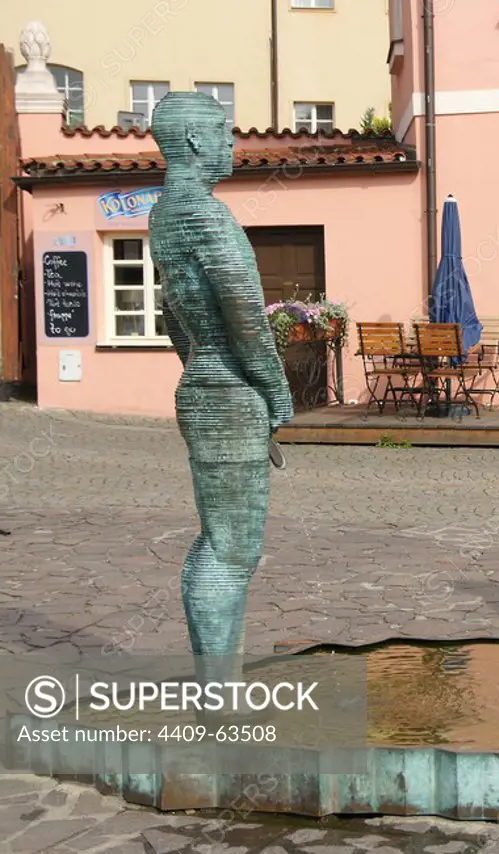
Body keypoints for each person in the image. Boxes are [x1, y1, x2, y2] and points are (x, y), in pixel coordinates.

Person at [149, 92, 293, 718]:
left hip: (203, 382)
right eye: (222, 133)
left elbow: (171, 316)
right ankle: (218, 693)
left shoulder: (162, 215)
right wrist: (277, 395)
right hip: (231, 388)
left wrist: (196, 369)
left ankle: (220, 679)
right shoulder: (207, 217)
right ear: (191, 143)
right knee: (232, 547)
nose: (233, 145)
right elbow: (247, 320)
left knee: (222, 540)